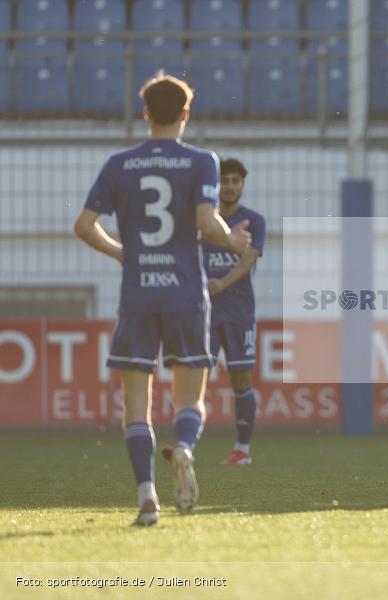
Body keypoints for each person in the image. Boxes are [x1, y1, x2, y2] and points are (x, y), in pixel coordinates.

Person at [73, 72, 251, 526]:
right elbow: (208, 224)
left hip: (138, 295)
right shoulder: (201, 162)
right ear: (186, 114)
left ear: (146, 113)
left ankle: (147, 498)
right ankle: (185, 449)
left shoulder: (119, 164)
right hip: (186, 294)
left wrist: (121, 252)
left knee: (136, 404)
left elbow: (84, 224)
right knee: (190, 400)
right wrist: (234, 243)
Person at [201, 158, 266, 465]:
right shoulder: (205, 221)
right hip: (204, 312)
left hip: (239, 313)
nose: (228, 186)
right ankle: (186, 444)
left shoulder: (255, 221)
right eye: (224, 181)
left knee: (240, 379)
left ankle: (243, 449)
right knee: (196, 375)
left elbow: (248, 260)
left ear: (242, 184)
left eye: (234, 181)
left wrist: (221, 283)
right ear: (217, 185)